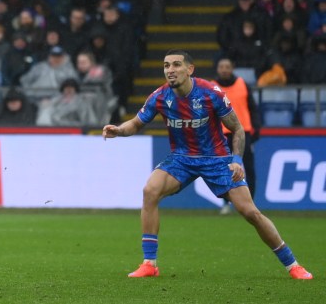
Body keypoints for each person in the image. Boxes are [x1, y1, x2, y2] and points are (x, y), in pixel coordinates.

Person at [102, 50, 312, 280]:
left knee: (250, 213)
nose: (170, 70)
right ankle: (149, 263)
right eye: (166, 66)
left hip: (217, 158)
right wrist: (119, 130)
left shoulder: (211, 93)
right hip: (182, 158)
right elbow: (136, 123)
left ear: (190, 69)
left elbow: (238, 129)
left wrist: (236, 160)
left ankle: (293, 265)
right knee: (149, 191)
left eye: (176, 65)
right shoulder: (160, 96)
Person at [213, 57, 260, 215]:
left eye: (227, 66)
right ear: (217, 69)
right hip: (221, 135)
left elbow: (253, 109)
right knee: (223, 170)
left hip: (243, 133)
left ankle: (250, 203)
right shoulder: (211, 87)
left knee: (249, 168)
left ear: (232, 67)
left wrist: (256, 129)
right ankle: (226, 203)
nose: (224, 69)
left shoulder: (243, 84)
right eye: (221, 66)